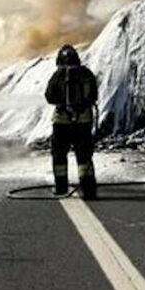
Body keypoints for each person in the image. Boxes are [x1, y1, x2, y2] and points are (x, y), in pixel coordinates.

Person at [45, 44, 98, 199]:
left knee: (59, 155)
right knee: (84, 156)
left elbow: (49, 96)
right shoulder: (87, 74)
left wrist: (63, 105)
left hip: (61, 122)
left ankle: (61, 188)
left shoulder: (58, 75)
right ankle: (88, 190)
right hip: (83, 122)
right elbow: (94, 95)